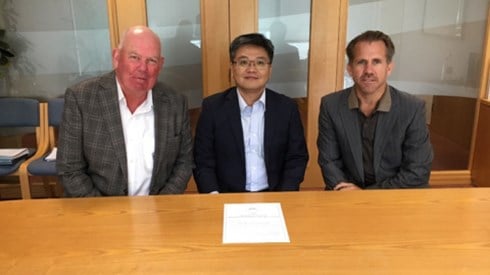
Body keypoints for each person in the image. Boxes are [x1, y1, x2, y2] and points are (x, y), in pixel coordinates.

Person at [57, 25, 193, 197]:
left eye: (151, 60)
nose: (143, 68)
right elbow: (70, 169)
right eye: (134, 57)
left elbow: (184, 163)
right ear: (116, 58)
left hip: (156, 210)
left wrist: (160, 206)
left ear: (160, 65)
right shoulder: (82, 98)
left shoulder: (176, 102)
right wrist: (109, 215)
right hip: (98, 211)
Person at [317, 30, 433, 191]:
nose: (369, 70)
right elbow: (328, 161)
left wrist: (365, 194)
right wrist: (346, 191)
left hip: (397, 195)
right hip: (345, 194)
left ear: (389, 67)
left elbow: (417, 171)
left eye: (376, 62)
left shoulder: (413, 108)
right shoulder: (331, 105)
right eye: (361, 62)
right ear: (350, 69)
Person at [193, 33, 309, 193]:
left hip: (275, 194)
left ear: (270, 69)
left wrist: (285, 195)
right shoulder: (212, 107)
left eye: (260, 62)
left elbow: (296, 158)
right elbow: (203, 160)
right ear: (232, 68)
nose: (251, 69)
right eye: (243, 62)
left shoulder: (286, 108)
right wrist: (214, 196)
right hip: (224, 197)